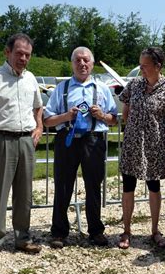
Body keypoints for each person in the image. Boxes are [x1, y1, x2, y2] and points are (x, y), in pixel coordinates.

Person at [0, 33, 43, 262]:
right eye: (19, 53)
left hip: (26, 140)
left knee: (25, 194)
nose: (23, 58)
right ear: (7, 52)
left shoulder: (31, 78)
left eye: (27, 55)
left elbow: (38, 106)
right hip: (1, 139)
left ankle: (23, 238)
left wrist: (39, 127)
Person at [44, 47, 118, 249]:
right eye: (78, 60)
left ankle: (96, 231)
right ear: (72, 64)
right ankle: (59, 232)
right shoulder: (62, 88)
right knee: (63, 185)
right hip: (67, 140)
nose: (82, 64)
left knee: (93, 186)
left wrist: (102, 115)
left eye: (86, 60)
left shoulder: (102, 89)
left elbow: (114, 120)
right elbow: (47, 120)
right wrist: (67, 116)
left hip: (93, 141)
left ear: (92, 64)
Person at [118, 47, 165, 249]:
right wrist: (131, 129)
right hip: (132, 144)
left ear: (157, 66)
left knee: (154, 187)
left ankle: (155, 230)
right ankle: (126, 231)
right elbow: (125, 107)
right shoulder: (134, 84)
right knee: (128, 187)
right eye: (140, 65)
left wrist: (162, 135)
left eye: (145, 65)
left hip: (155, 145)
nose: (141, 69)